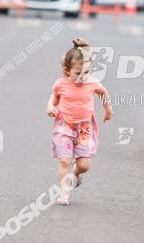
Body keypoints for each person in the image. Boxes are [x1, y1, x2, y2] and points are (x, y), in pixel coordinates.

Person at [46, 38, 113, 205]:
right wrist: (50, 107)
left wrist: (108, 110)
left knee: (84, 165)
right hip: (64, 126)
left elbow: (103, 93)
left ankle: (77, 174)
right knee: (64, 160)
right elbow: (53, 98)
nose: (82, 77)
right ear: (67, 70)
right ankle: (64, 193)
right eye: (78, 73)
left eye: (86, 72)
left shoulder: (92, 83)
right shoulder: (60, 84)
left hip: (84, 128)